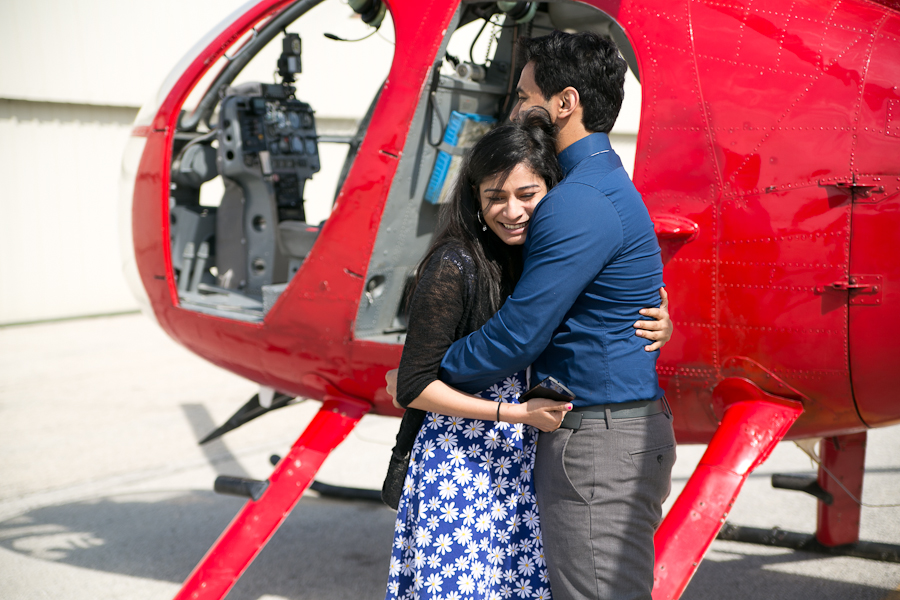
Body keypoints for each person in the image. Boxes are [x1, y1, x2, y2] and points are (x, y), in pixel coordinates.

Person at [382, 112, 672, 600]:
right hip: (461, 471)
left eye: (526, 195)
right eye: (495, 197)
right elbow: (414, 386)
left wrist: (662, 321)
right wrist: (513, 413)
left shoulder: (539, 259)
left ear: (550, 193)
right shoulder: (453, 264)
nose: (511, 211)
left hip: (516, 467)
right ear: (475, 200)